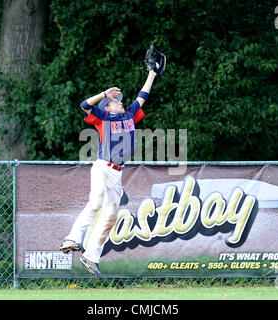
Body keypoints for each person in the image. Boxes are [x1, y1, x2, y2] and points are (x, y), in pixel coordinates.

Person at [60, 46, 165, 280]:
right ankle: (73, 239)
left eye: (119, 101)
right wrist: (103, 94)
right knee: (96, 201)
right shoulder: (103, 117)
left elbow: (143, 96)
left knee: (110, 215)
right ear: (108, 106)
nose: (120, 102)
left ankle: (91, 257)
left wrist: (152, 73)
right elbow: (84, 105)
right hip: (102, 167)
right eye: (116, 101)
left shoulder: (130, 115)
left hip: (117, 174)